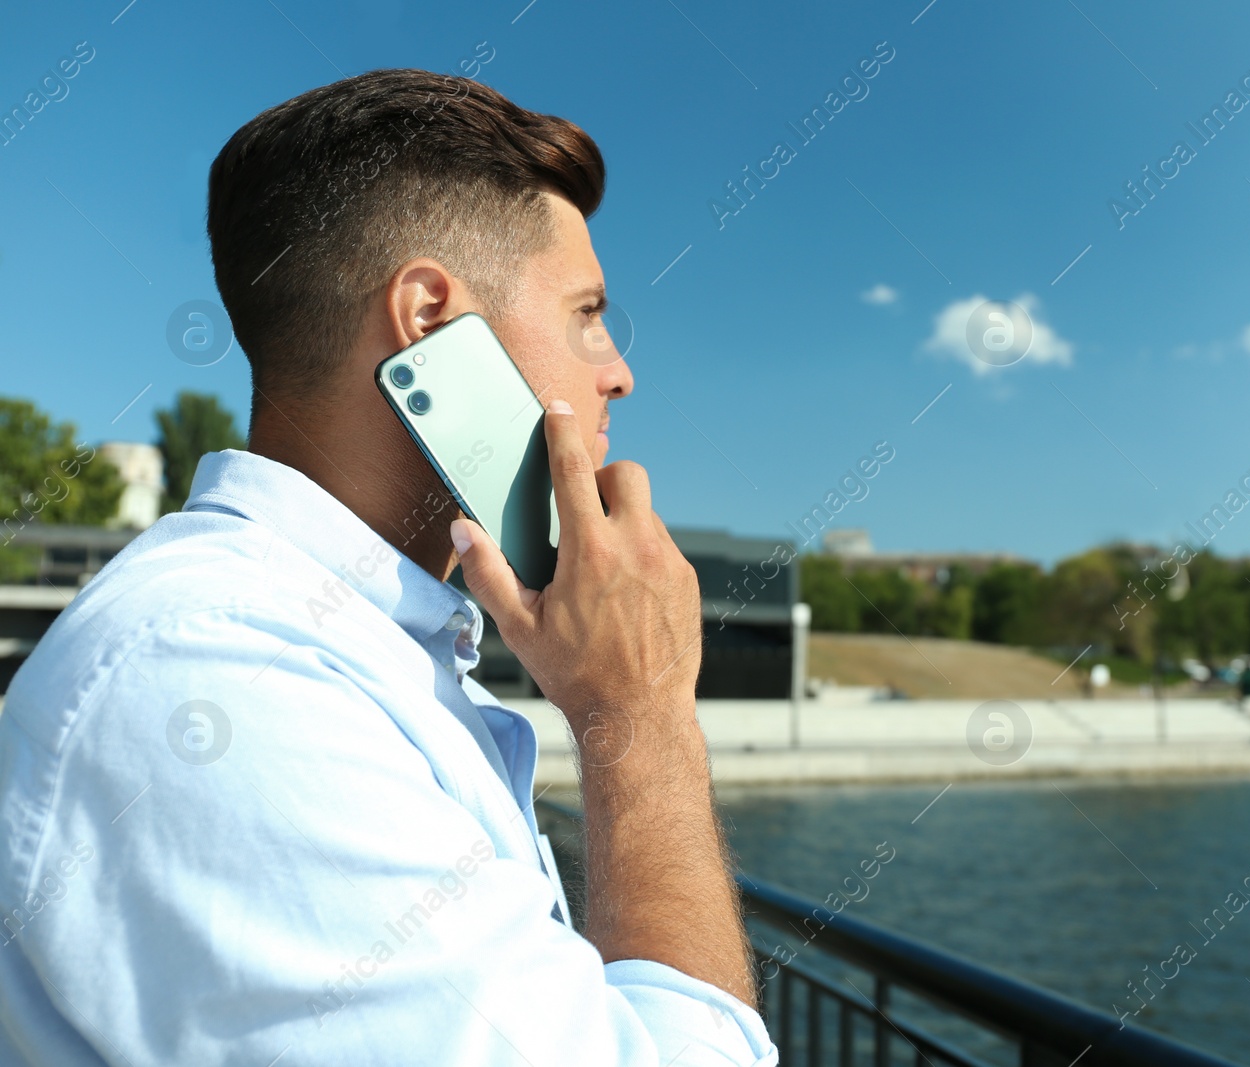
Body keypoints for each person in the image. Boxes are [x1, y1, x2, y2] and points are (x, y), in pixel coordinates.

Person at [0, 68, 776, 1065]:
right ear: (429, 321)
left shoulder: (326, 643)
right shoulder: (228, 673)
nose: (616, 367)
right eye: (587, 311)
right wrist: (643, 717)